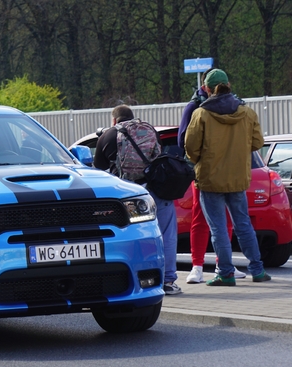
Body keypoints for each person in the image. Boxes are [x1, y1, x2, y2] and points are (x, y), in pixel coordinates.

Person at [185, 68, 270, 286]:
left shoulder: (201, 114)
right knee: (243, 225)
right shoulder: (247, 112)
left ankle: (226, 272)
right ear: (228, 85)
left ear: (207, 88)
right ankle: (257, 270)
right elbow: (258, 143)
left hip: (210, 179)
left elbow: (190, 148)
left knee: (218, 229)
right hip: (238, 178)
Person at [94, 105, 181, 295]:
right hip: (156, 189)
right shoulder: (148, 129)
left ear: (114, 120)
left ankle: (143, 281)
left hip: (129, 196)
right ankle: (169, 281)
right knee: (167, 235)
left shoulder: (107, 136)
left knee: (133, 237)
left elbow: (98, 168)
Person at [177, 69, 247, 284]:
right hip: (215, 171)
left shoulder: (205, 106)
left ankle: (217, 264)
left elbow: (183, 142)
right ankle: (202, 265)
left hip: (214, 170)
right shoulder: (233, 106)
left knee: (218, 219)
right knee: (209, 218)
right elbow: (184, 141)